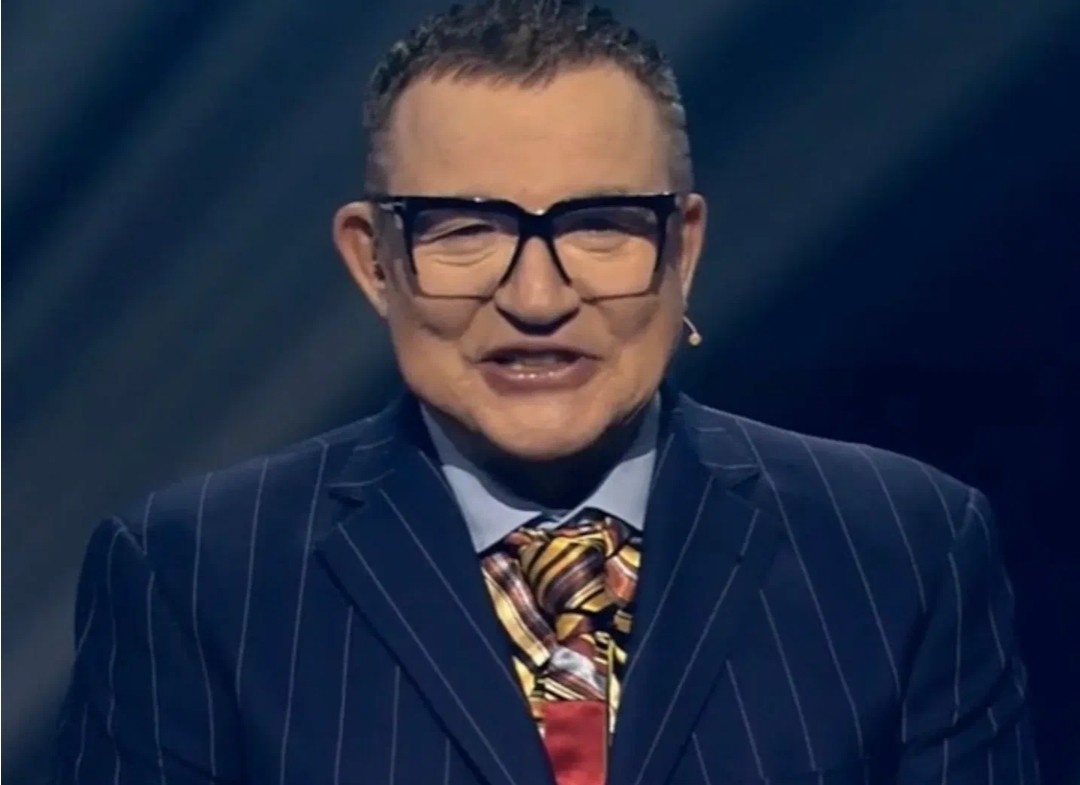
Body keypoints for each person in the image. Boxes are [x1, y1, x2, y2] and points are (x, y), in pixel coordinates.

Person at [54, 2, 1038, 783]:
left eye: (599, 224)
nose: (536, 298)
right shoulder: (193, 576)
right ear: (374, 259)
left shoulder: (900, 548)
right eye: (464, 230)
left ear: (683, 248)